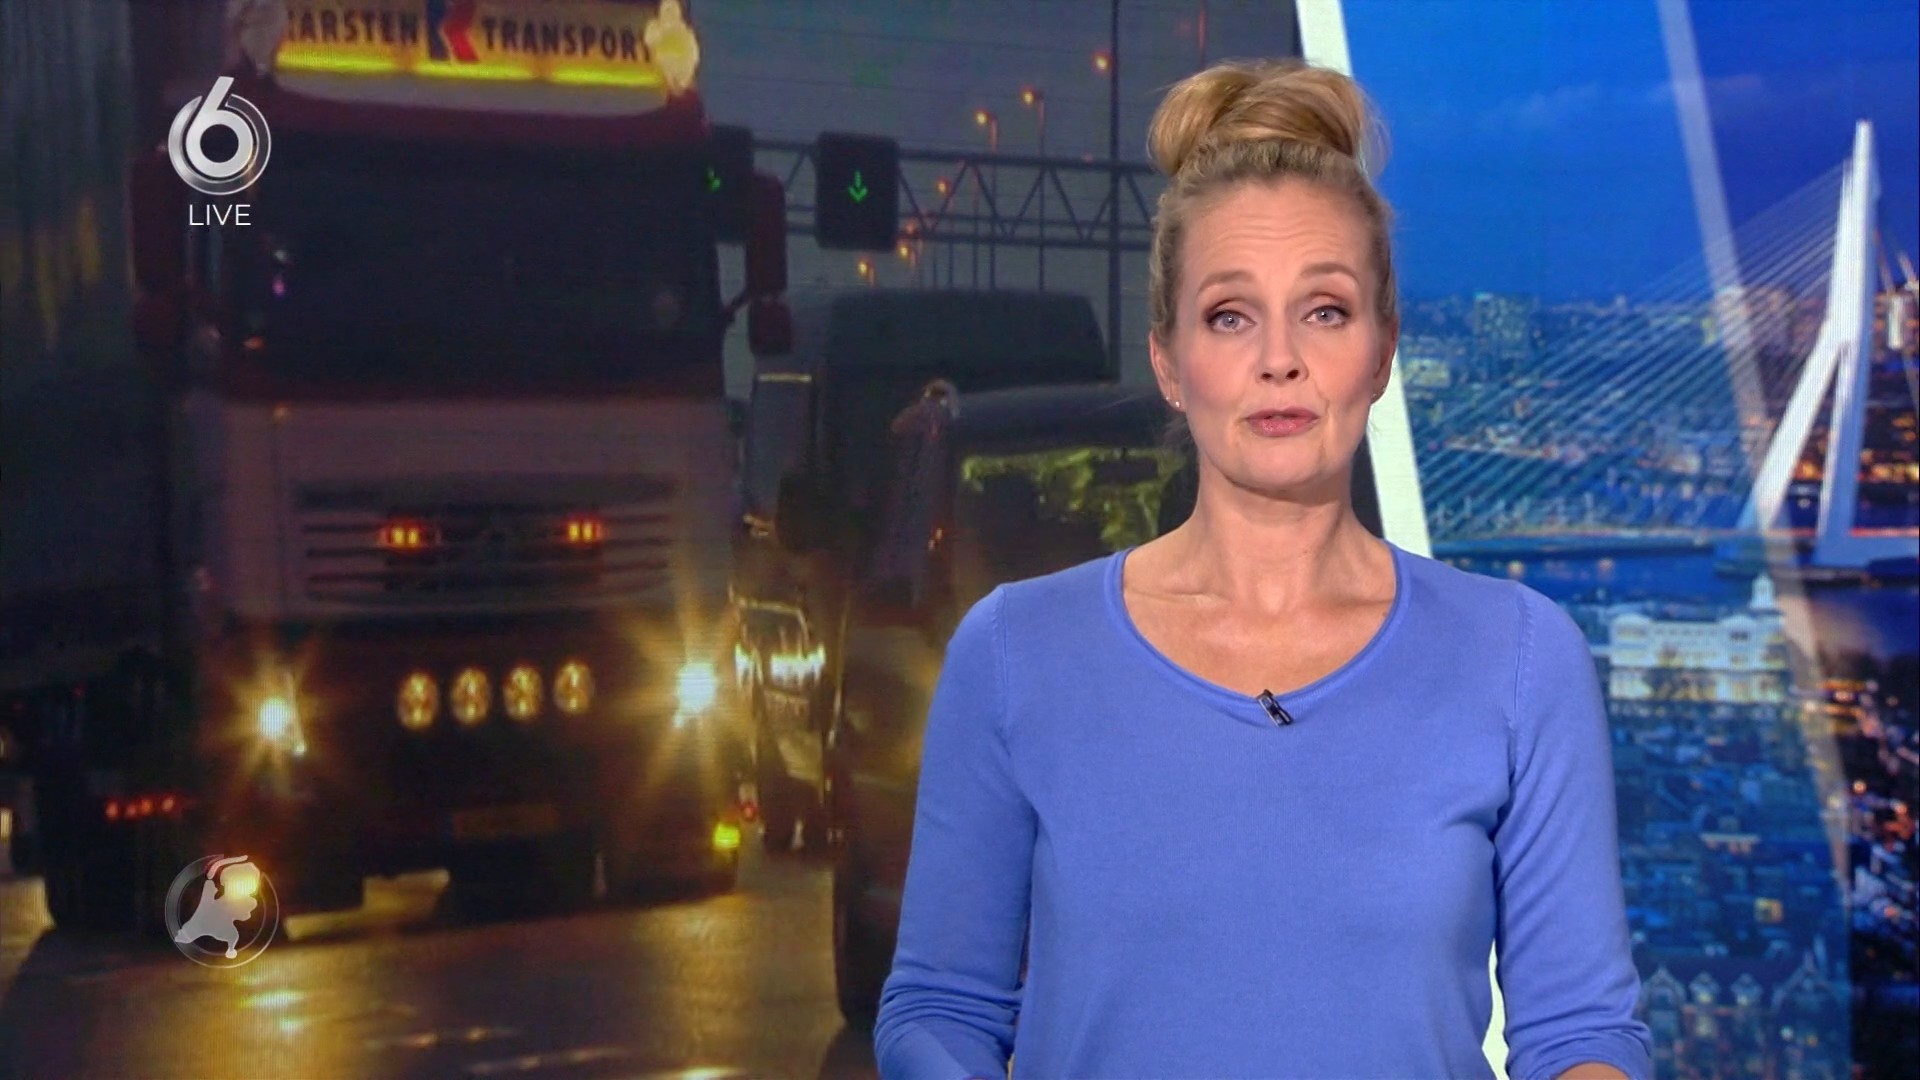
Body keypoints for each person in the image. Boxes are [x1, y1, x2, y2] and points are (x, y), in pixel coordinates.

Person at [871, 58, 1654, 1080]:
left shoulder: (1518, 657)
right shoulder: (1017, 652)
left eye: (1324, 310)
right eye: (1230, 315)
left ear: (1382, 350)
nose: (1279, 359)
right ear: (1168, 359)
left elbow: (1582, 1032)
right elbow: (940, 1009)